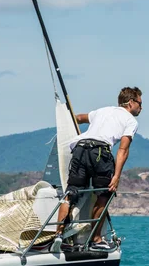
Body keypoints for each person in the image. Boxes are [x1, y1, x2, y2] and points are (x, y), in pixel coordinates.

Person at [54, 86, 143, 250]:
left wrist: (64, 119)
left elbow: (78, 118)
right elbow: (123, 150)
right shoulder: (131, 121)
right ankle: (96, 238)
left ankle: (58, 235)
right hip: (100, 152)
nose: (141, 107)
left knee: (70, 193)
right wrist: (116, 177)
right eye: (139, 103)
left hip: (80, 149)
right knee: (104, 194)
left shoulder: (103, 111)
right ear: (131, 103)